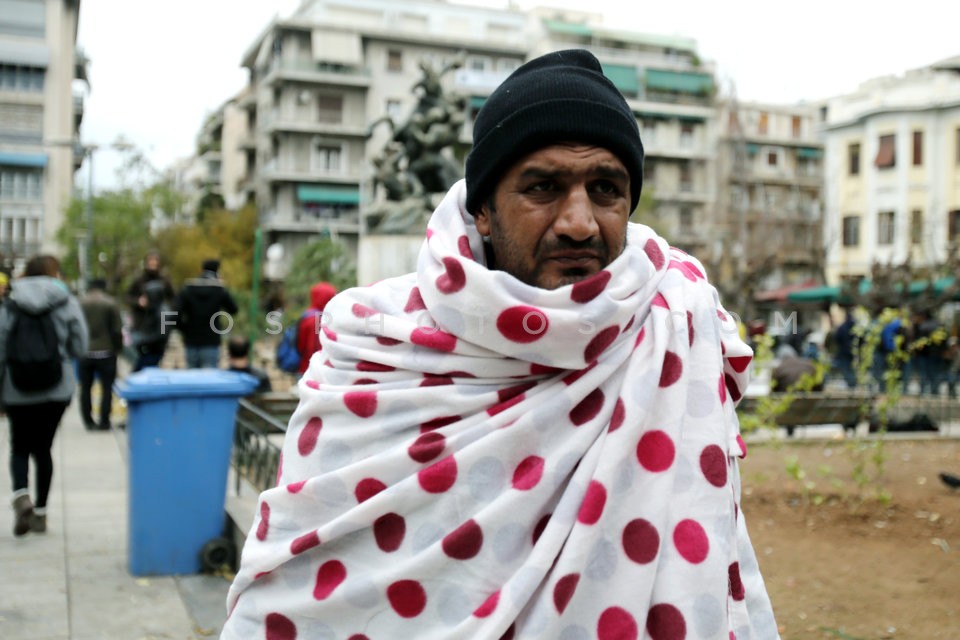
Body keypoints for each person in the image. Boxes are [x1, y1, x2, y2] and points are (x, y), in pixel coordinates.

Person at [222, 50, 779, 639]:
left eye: (606, 189)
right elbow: (302, 593)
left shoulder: (672, 325)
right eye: (542, 187)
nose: (579, 222)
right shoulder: (373, 354)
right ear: (483, 210)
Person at [0, 255, 87, 536]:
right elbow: (81, 343)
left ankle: (21, 495)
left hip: (17, 386)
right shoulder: (65, 300)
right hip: (56, 387)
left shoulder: (10, 303)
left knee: (19, 446)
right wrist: (64, 357)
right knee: (43, 449)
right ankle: (40, 512)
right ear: (55, 273)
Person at [78, 278, 123, 430]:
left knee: (85, 388)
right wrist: (118, 348)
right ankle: (104, 420)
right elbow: (117, 330)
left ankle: (88, 420)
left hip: (85, 351)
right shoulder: (110, 303)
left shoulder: (80, 303)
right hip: (106, 351)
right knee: (107, 387)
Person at [175, 259, 238, 368]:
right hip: (211, 340)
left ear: (202, 270)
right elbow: (233, 309)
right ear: (217, 271)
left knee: (192, 378)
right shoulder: (219, 290)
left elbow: (175, 314)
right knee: (209, 378)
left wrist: (184, 329)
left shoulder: (188, 289)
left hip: (191, 339)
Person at [126, 251, 176, 371]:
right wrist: (138, 301)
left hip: (158, 322)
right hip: (141, 322)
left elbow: (173, 299)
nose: (153, 264)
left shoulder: (164, 280)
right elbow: (128, 297)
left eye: (155, 261)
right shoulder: (139, 280)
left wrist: (167, 314)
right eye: (150, 261)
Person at [295, 281, 337, 375]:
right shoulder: (317, 319)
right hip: (312, 371)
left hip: (304, 367)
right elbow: (314, 349)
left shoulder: (308, 314)